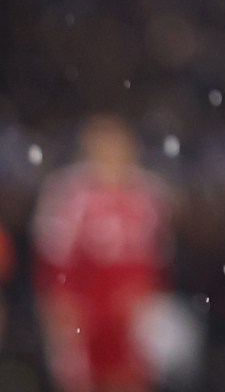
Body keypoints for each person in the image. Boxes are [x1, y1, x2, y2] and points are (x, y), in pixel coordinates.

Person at [32, 117, 171, 392]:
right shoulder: (69, 193)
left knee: (130, 376)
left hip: (128, 310)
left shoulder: (148, 196)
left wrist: (148, 299)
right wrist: (58, 303)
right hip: (85, 305)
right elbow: (53, 255)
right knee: (80, 377)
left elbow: (157, 258)